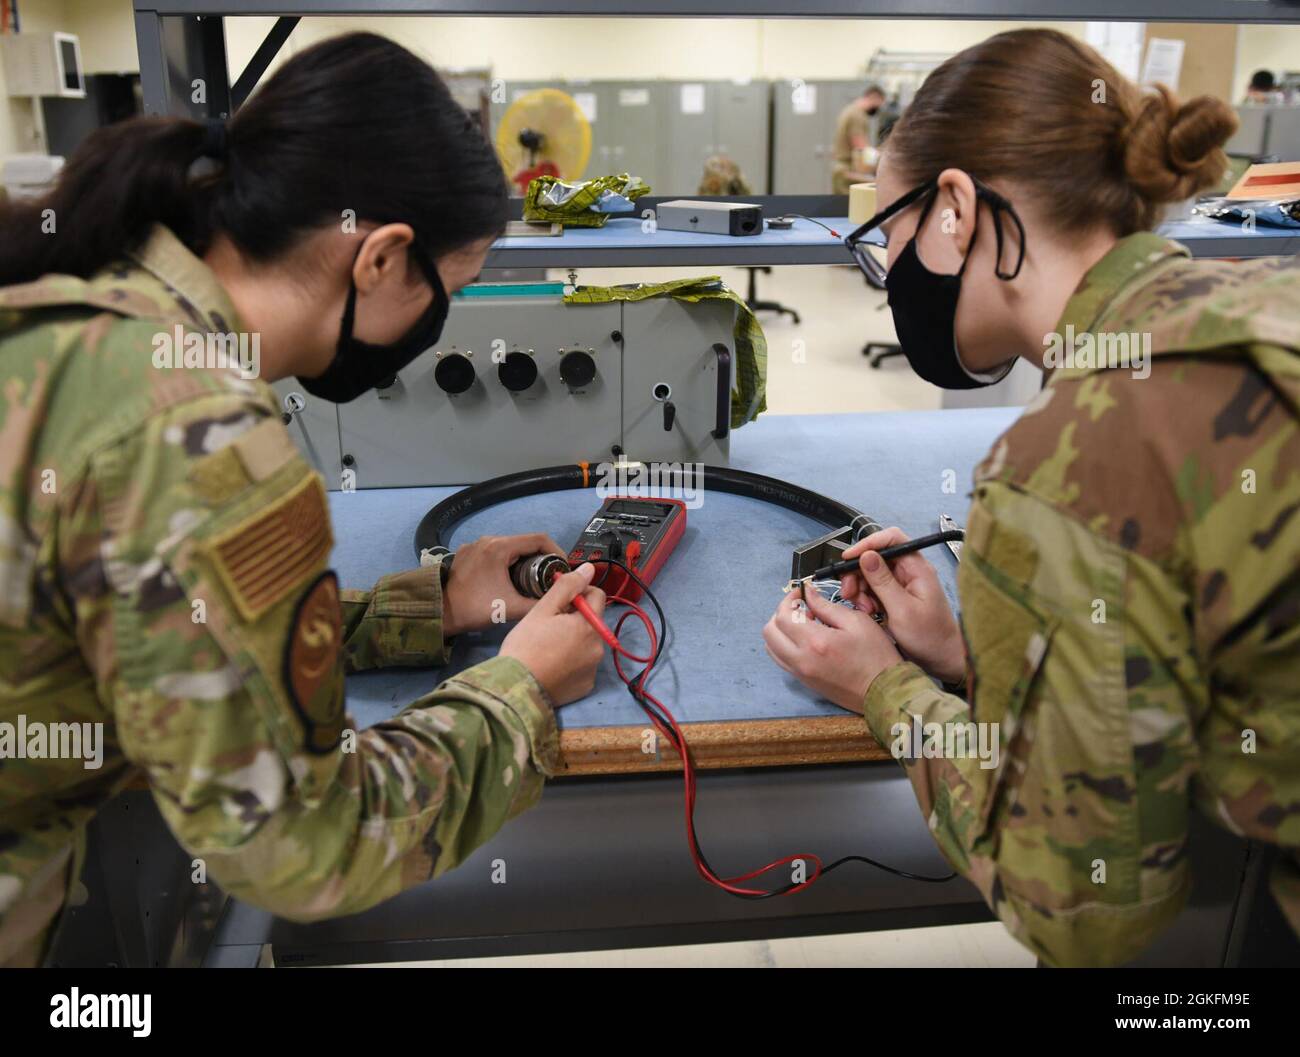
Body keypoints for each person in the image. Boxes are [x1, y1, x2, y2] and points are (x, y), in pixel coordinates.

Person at [0, 32, 608, 967]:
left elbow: (147, 617)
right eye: (451, 292)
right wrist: (520, 688)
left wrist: (425, 608)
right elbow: (304, 845)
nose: (439, 324)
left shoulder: (83, 295)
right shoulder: (196, 437)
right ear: (381, 259)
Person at [765, 28, 1299, 967]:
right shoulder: (1268, 305)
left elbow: (1086, 909)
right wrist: (978, 656)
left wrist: (885, 687)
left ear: (957, 209)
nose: (895, 283)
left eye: (889, 241)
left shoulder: (1066, 462)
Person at [831, 84, 886, 195]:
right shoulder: (857, 115)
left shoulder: (850, 110)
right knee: (848, 209)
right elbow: (860, 146)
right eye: (879, 104)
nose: (878, 109)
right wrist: (882, 157)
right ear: (874, 98)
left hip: (842, 168)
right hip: (848, 170)